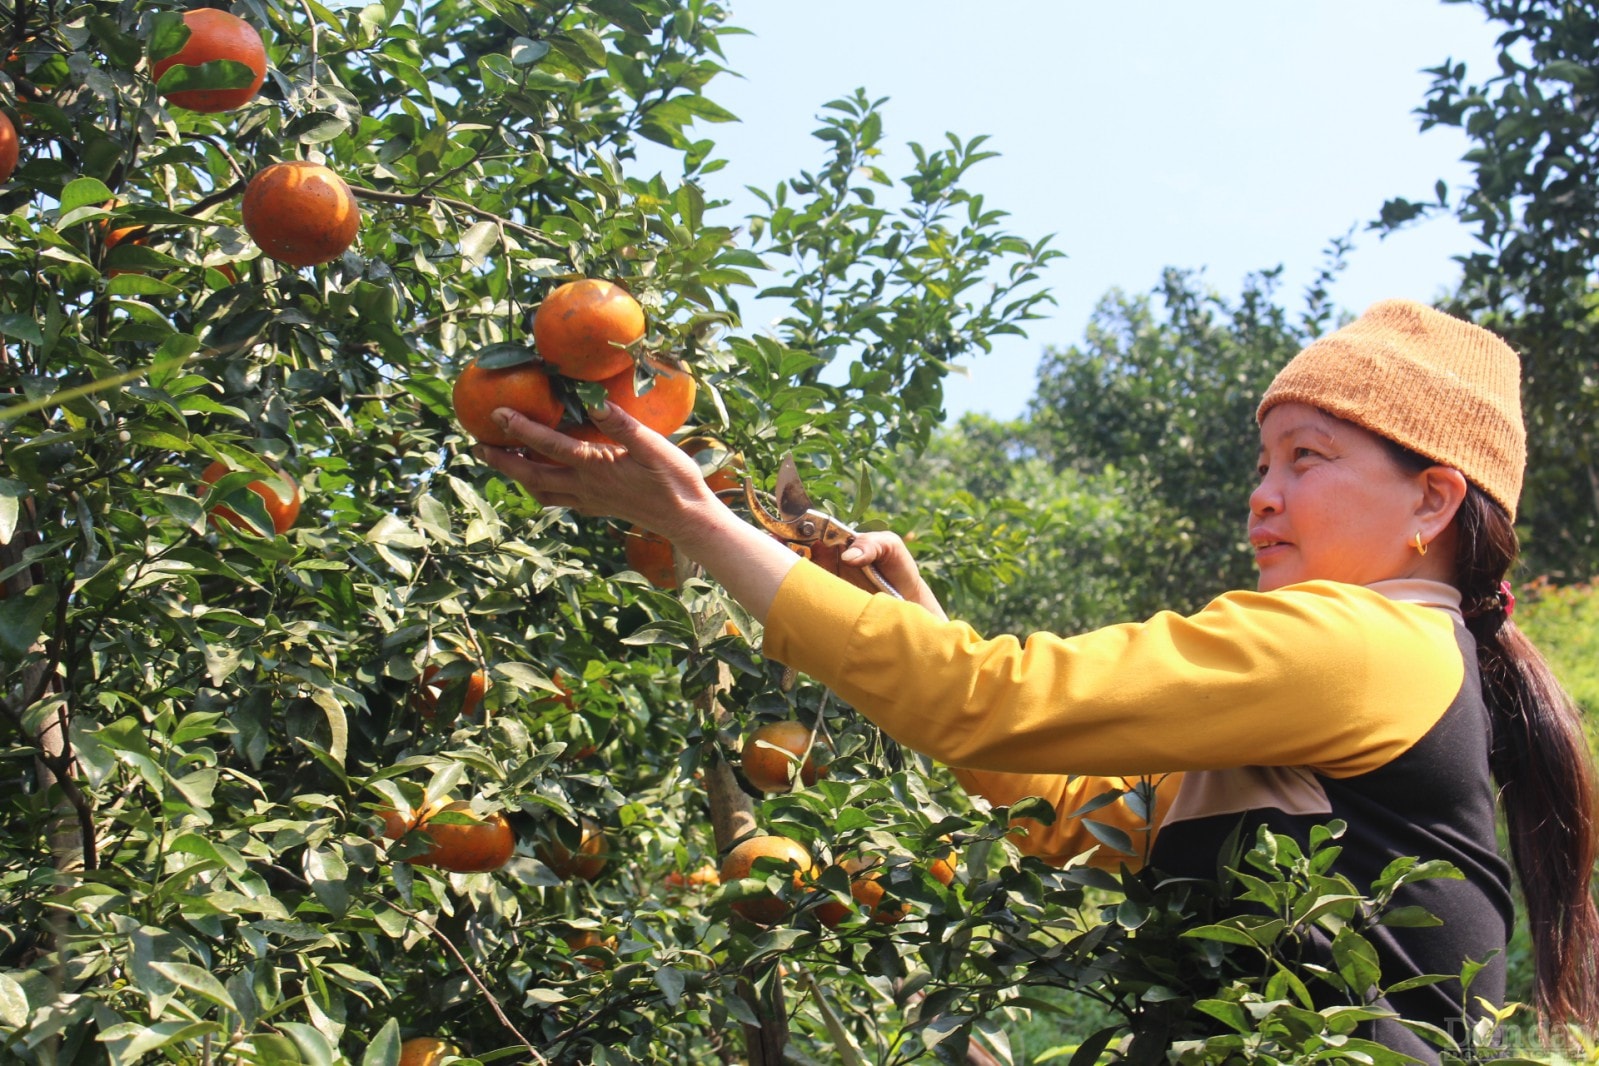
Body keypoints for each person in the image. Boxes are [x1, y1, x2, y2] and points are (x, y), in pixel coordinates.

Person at [474, 299, 1599, 1056]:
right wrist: (912, 619)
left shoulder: (1364, 643)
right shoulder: (1351, 677)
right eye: (1262, 464)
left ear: (1434, 502)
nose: (1262, 496)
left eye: (1308, 458)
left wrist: (696, 522)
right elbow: (1075, 813)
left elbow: (997, 701)